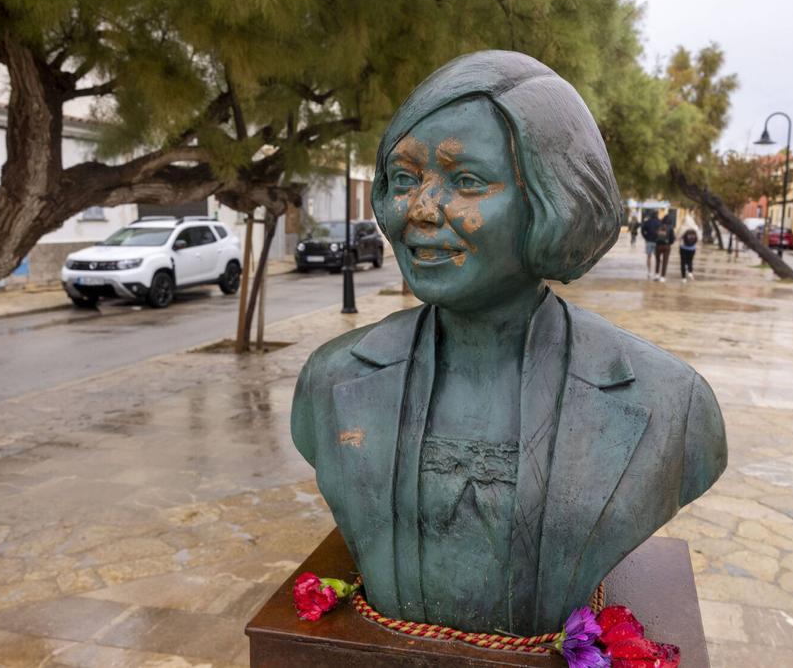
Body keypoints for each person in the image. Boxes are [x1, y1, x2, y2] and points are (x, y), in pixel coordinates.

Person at [290, 50, 727, 637]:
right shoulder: (332, 379)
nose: (418, 209)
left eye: (466, 181)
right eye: (403, 179)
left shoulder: (672, 404)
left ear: (554, 199)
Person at [655, 209, 676, 282]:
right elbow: (673, 238)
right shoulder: (670, 228)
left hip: (658, 245)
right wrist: (669, 243)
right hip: (667, 246)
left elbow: (655, 235)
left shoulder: (659, 225)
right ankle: (662, 277)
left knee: (657, 260)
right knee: (665, 261)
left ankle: (657, 275)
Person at [640, 210, 661, 279]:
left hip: (649, 241)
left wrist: (645, 237)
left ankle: (649, 272)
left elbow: (642, 230)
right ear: (657, 214)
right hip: (657, 242)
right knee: (657, 257)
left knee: (649, 257)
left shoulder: (647, 222)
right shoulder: (660, 222)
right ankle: (656, 272)